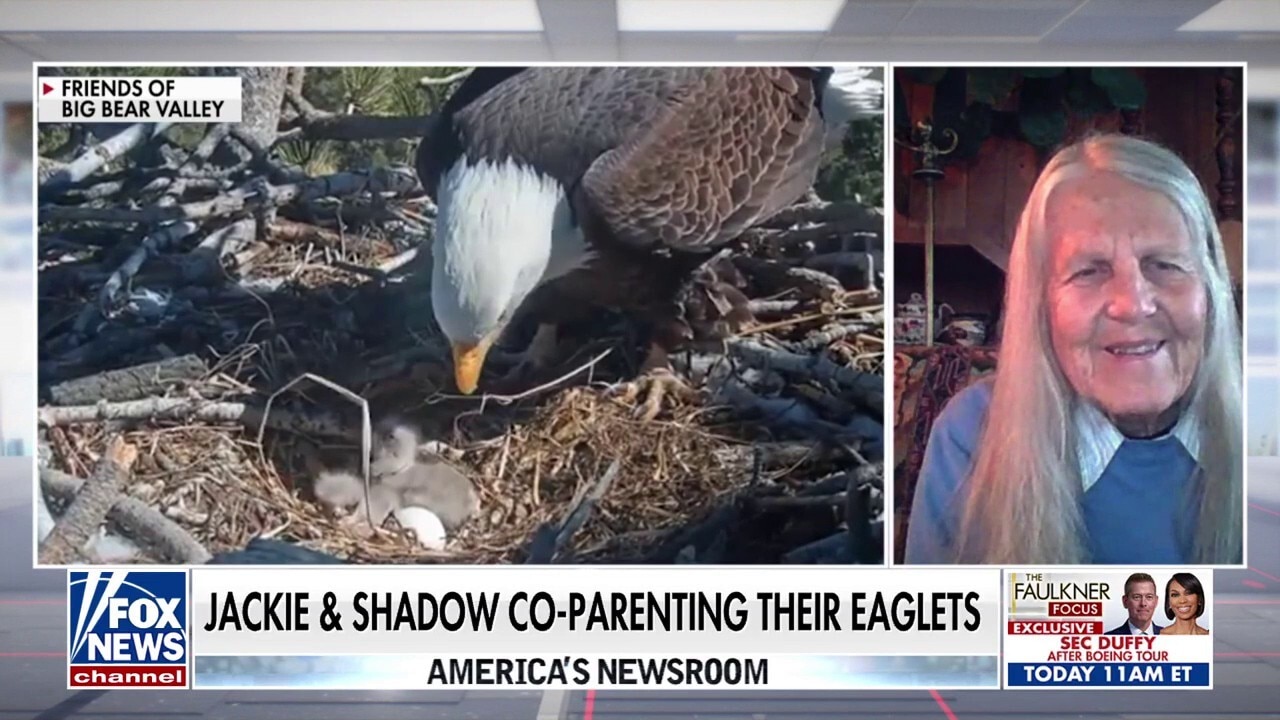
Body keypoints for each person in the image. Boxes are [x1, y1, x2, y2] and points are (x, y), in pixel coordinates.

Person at [904, 132, 1242, 565]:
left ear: (1211, 287)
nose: (1133, 303)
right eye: (1088, 271)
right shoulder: (972, 435)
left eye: (1165, 264)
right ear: (1041, 303)